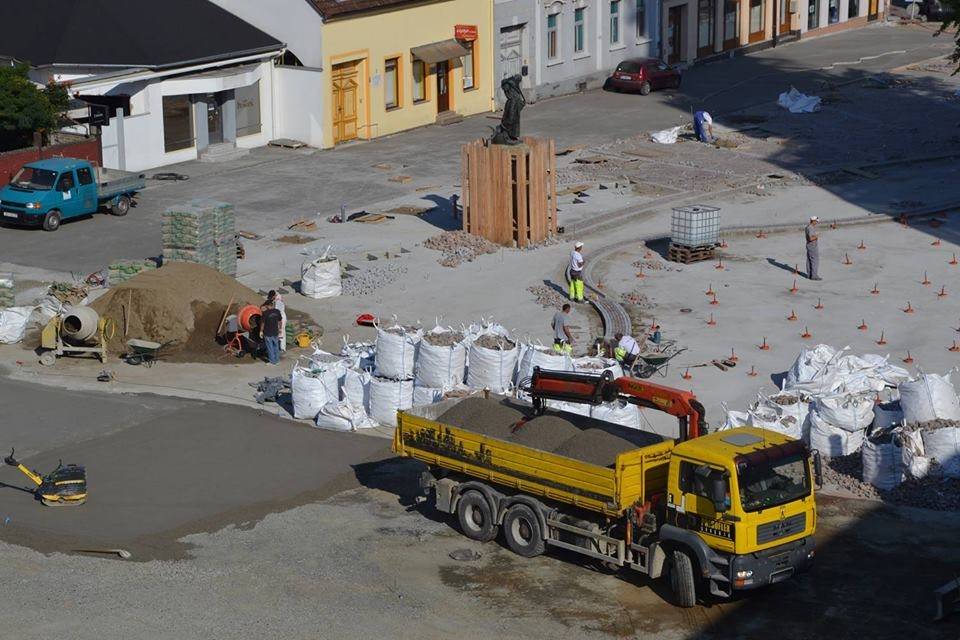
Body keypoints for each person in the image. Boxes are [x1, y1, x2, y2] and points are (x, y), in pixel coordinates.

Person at [261, 300, 283, 365]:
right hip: (275, 331)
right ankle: (277, 361)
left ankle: (272, 361)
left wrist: (261, 331)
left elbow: (262, 323)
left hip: (267, 332)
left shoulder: (265, 313)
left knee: (270, 347)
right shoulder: (277, 311)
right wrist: (280, 328)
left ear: (267, 306)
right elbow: (280, 321)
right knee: (276, 346)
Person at [805, 216, 821, 281]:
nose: (817, 222)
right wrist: (817, 236)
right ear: (813, 221)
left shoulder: (807, 227)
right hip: (812, 246)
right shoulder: (810, 228)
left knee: (809, 260)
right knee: (815, 260)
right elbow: (811, 238)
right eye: (816, 221)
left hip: (809, 246)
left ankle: (809, 275)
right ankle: (814, 276)